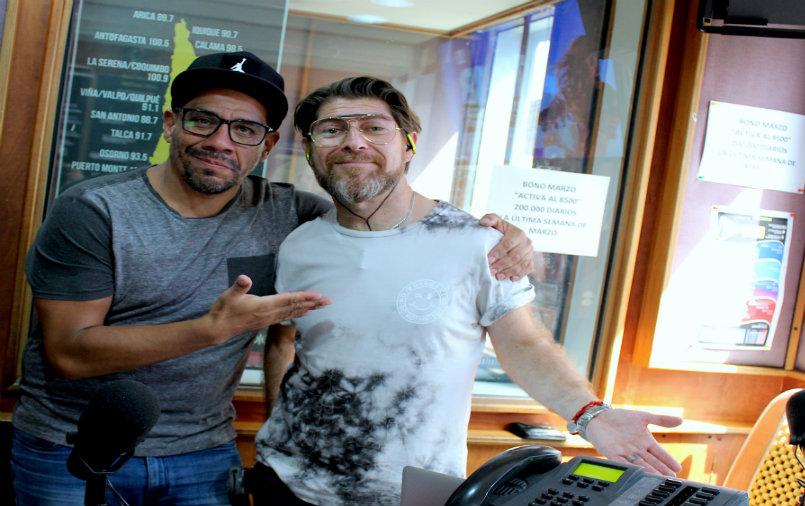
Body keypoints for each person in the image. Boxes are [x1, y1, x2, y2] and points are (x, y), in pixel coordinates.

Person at [10, 51, 533, 506]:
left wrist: (500, 238)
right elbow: (70, 353)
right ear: (170, 124)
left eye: (244, 130)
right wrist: (211, 330)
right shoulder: (95, 210)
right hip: (74, 448)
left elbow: (384, 217)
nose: (221, 141)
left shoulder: (289, 214)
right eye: (202, 121)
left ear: (267, 146)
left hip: (204, 453)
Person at [251, 76, 684, 506]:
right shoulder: (299, 245)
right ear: (309, 150)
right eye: (331, 130)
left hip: (411, 495)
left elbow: (524, 344)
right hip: (285, 485)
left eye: (374, 127)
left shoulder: (476, 243)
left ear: (409, 145)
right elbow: (285, 341)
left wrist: (590, 415)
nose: (353, 141)